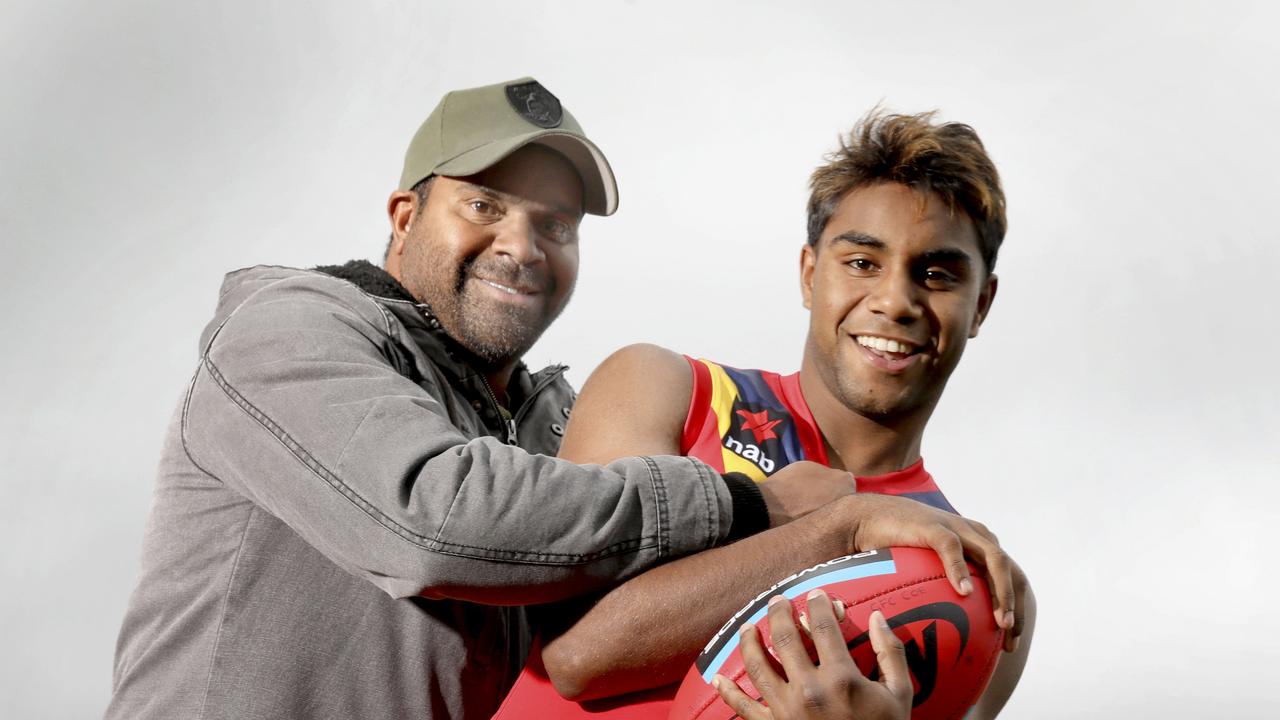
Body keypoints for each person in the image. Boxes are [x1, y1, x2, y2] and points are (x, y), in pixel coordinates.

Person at [104, 79, 1008, 720]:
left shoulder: (544, 424)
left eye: (556, 225)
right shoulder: (288, 328)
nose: (523, 244)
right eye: (486, 204)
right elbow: (439, 521)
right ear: (405, 216)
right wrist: (776, 510)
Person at [494, 110, 1035, 719]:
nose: (894, 300)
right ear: (810, 274)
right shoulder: (668, 387)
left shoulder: (975, 585)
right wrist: (841, 529)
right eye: (862, 263)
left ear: (981, 304)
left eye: (937, 274)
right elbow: (580, 651)